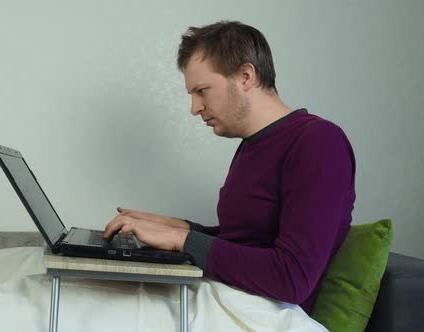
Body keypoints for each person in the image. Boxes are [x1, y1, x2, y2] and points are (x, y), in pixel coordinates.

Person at [103, 20, 356, 314]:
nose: (195, 108)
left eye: (202, 91)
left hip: (270, 314)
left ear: (246, 76)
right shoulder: (253, 145)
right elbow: (248, 240)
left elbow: (292, 277)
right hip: (230, 297)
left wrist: (181, 240)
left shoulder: (318, 142)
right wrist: (179, 227)